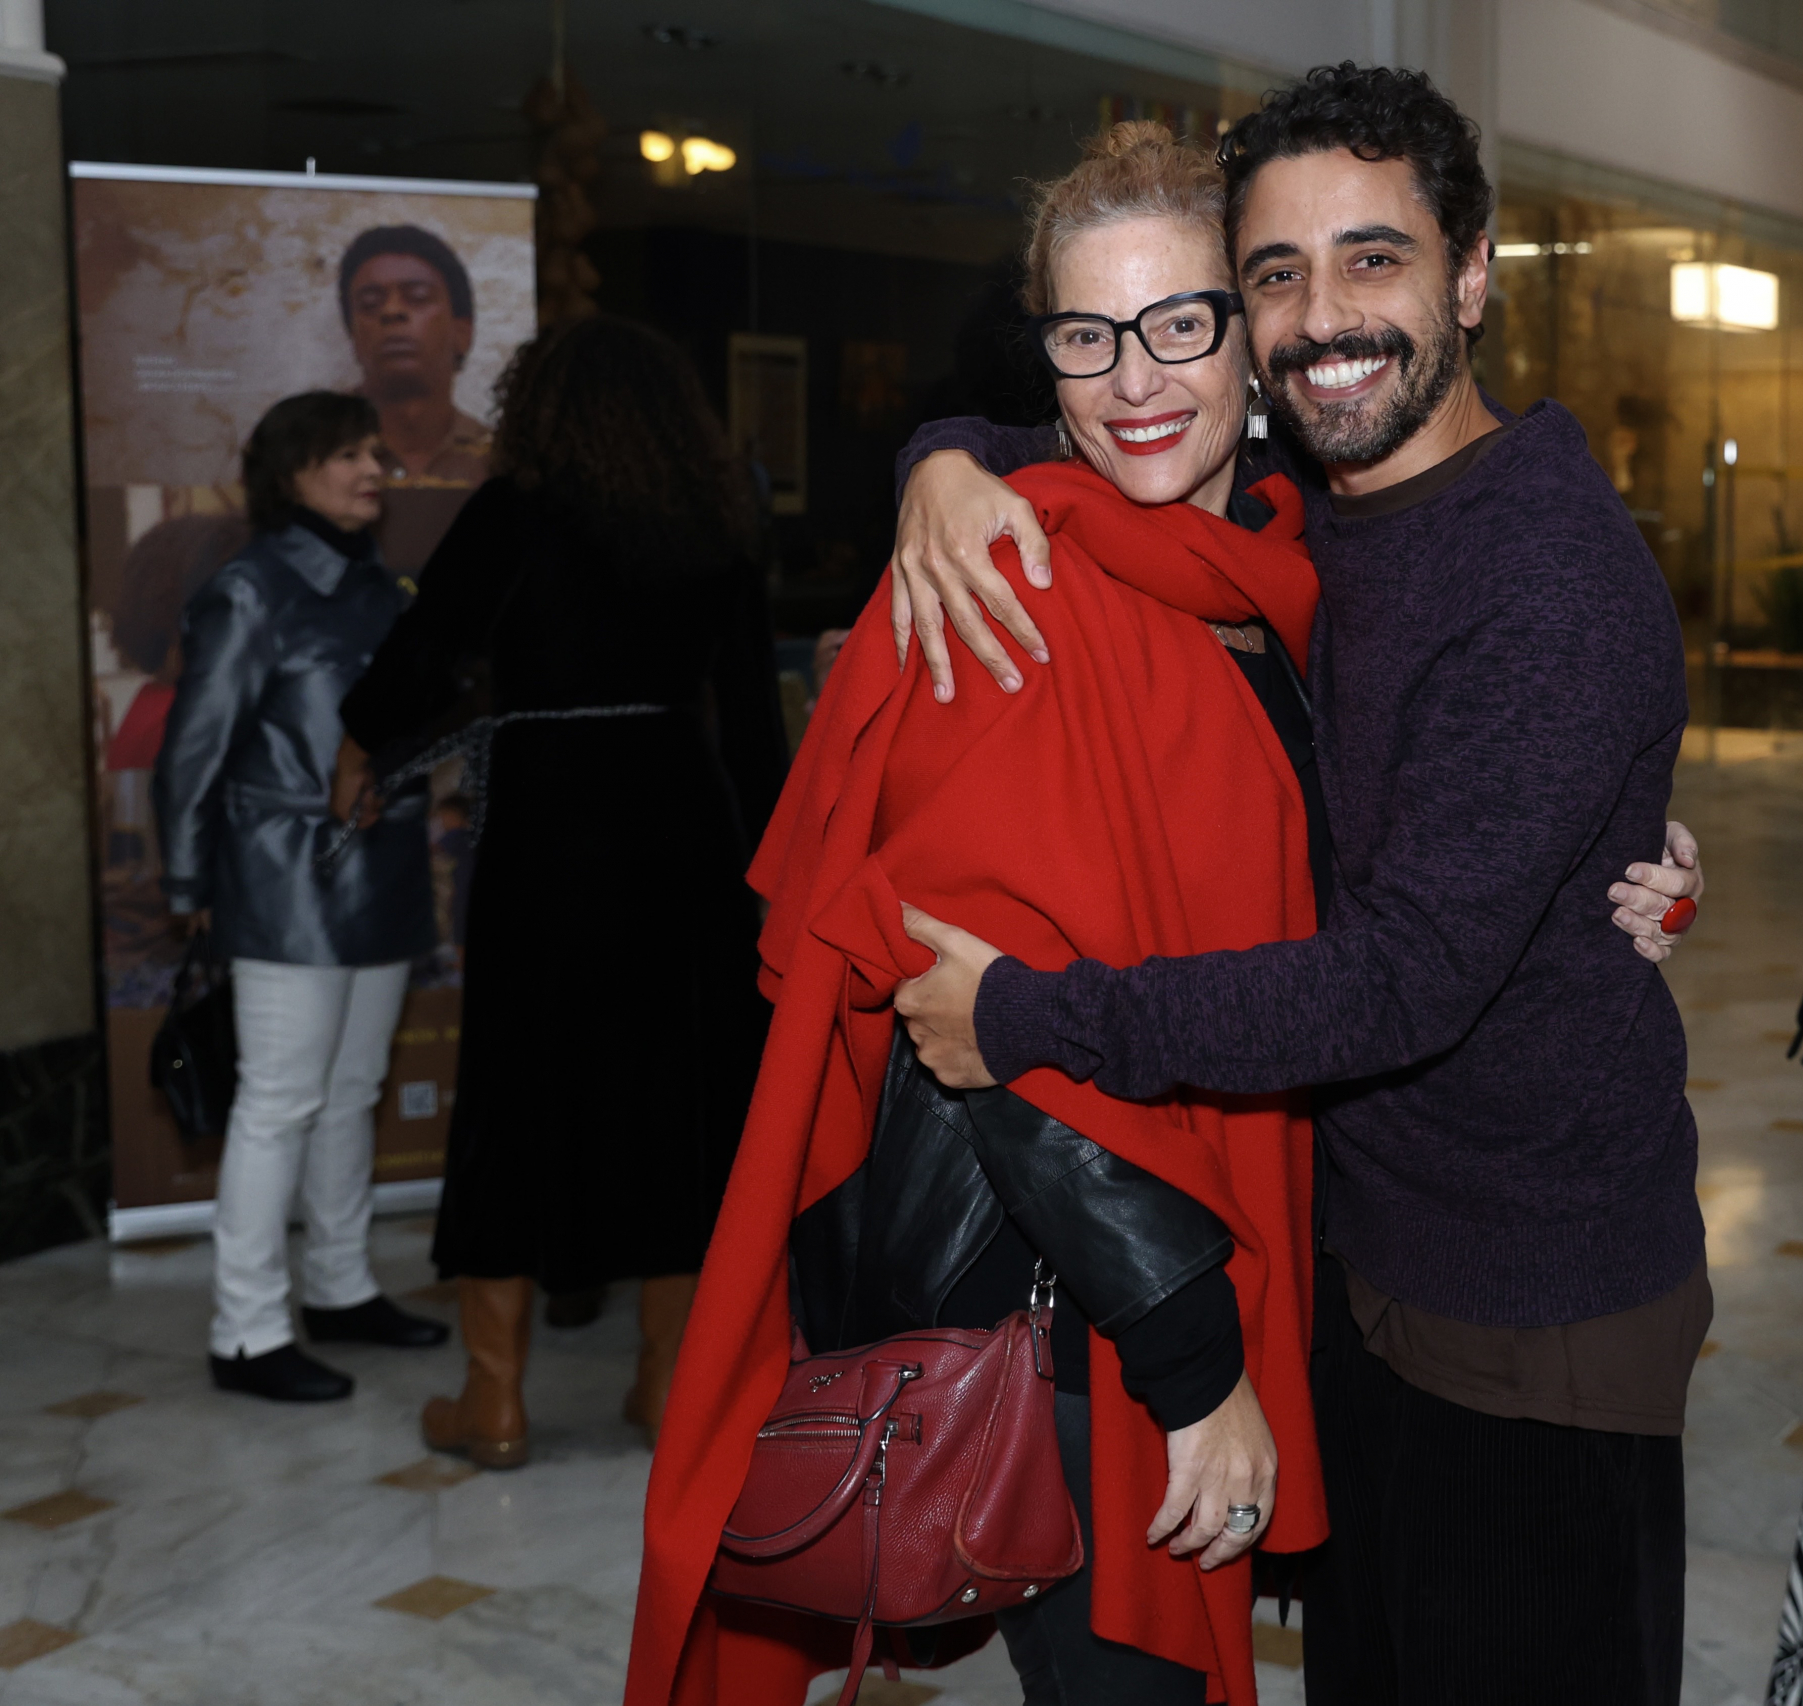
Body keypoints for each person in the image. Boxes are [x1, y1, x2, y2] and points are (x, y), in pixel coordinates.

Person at [874, 64, 1709, 1706]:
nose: (1324, 318)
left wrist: (1031, 1016)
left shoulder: (1544, 576)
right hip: (1363, 1278)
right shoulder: (1303, 514)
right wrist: (939, 460)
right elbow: (1103, 426)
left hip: (1531, 1307)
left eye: (1372, 259)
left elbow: (1399, 978)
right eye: (1276, 274)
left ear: (1471, 277)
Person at [629, 123, 1328, 1706]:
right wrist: (1195, 1368)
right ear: (1046, 357)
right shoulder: (1013, 592)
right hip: (1078, 1315)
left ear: (1252, 332)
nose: (1134, 379)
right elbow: (992, 1028)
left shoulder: (1260, 578)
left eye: (1179, 323)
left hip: (1197, 1237)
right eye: (1087, 335)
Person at [336, 316, 787, 1468]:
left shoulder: (514, 511)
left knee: (514, 1095)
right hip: (680, 828)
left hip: (548, 826)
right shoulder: (711, 520)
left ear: (539, 407)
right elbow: (750, 718)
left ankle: (494, 1401)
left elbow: (427, 649)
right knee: (679, 1101)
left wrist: (359, 741)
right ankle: (664, 1384)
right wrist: (781, 872)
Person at [153, 391, 452, 1404]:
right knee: (278, 1101)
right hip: (284, 876)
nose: (373, 470)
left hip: (382, 865)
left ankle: (339, 1284)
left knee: (354, 1088)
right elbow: (192, 752)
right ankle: (245, 1330)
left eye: (375, 452)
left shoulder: (384, 588)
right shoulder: (249, 589)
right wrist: (188, 881)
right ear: (291, 475)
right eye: (347, 455)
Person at [337, 225, 493, 573]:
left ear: (462, 332)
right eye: (370, 304)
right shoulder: (305, 457)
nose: (391, 311)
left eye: (418, 297)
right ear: (354, 339)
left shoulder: (501, 463)